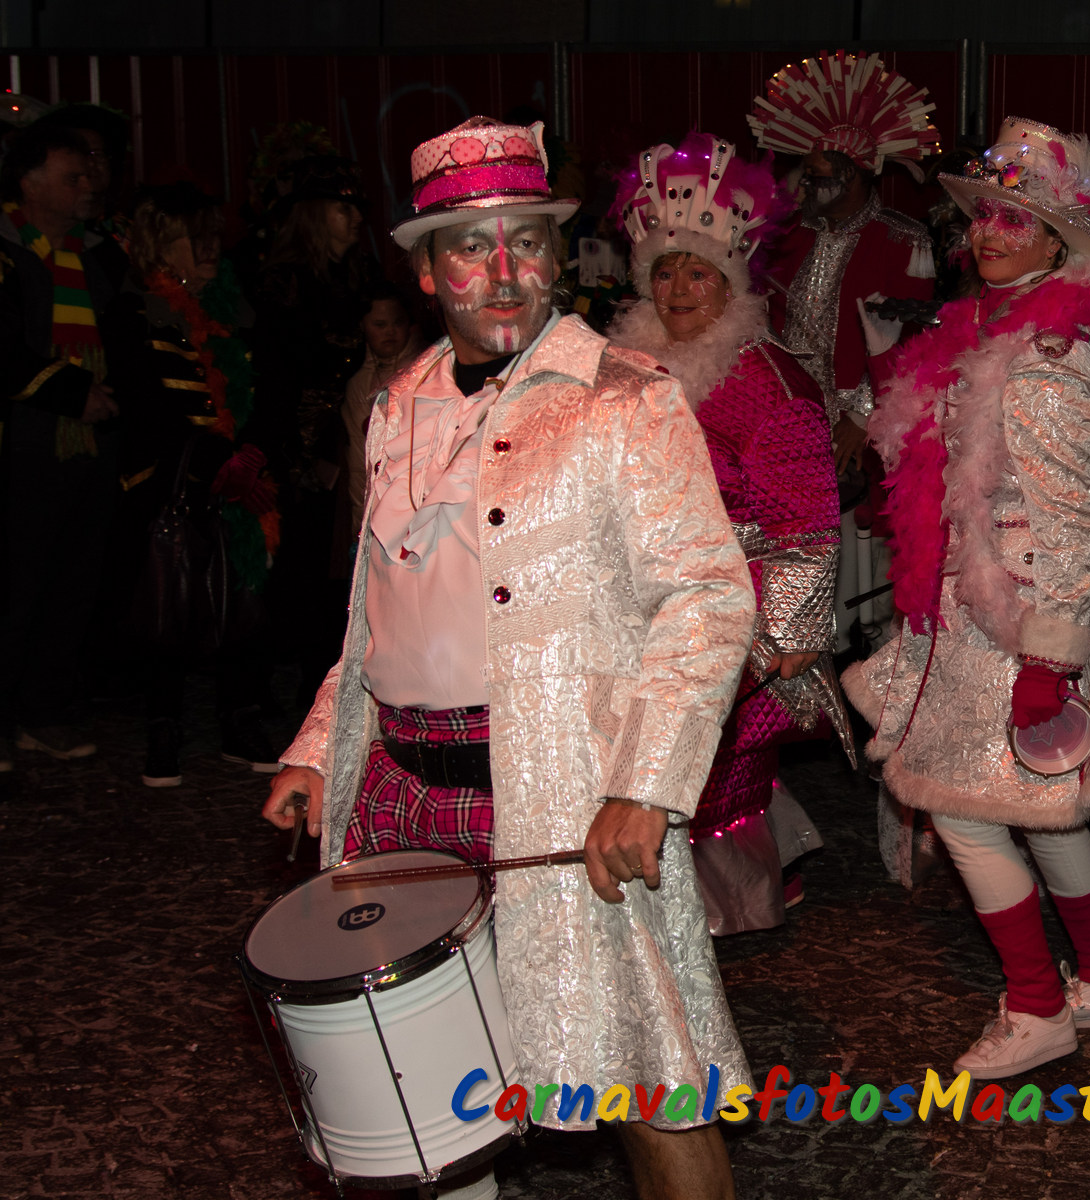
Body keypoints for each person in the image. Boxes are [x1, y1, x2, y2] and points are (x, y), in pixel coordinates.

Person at [260, 116, 755, 1200]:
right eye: (470, 247)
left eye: (525, 242)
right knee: (428, 1091)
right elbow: (376, 609)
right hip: (400, 792)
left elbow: (710, 598)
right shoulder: (396, 403)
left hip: (564, 795)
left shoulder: (625, 398)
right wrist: (319, 745)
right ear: (425, 268)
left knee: (641, 1073)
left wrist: (645, 786)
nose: (502, 272)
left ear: (555, 256)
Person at [845, 117, 1090, 1080]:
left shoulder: (1050, 356)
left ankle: (1037, 1005)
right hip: (981, 607)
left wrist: (1048, 658)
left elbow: (1070, 520)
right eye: (985, 217)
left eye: (1016, 220)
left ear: (1060, 241)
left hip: (1017, 613)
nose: (990, 234)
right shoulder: (989, 327)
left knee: (962, 808)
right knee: (1046, 805)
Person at [607, 132, 848, 934]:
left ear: (732, 279)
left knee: (714, 768)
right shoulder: (624, 369)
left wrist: (786, 632)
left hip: (729, 610)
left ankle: (716, 914)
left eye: (698, 273)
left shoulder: (769, 382)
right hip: (637, 604)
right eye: (664, 271)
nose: (677, 289)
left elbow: (805, 522)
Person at [748, 50, 938, 648]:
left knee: (866, 576)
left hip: (866, 427)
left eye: (818, 174)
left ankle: (864, 654)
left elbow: (914, 345)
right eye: (806, 173)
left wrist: (860, 415)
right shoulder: (786, 239)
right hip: (791, 421)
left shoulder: (903, 240)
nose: (805, 185)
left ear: (854, 174)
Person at [101, 182, 278, 786]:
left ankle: (239, 717)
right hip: (167, 483)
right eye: (194, 238)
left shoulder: (234, 308)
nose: (209, 248)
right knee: (167, 601)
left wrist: (252, 455)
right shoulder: (133, 310)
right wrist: (213, 462)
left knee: (244, 594)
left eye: (212, 237)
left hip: (236, 480)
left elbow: (260, 390)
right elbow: (144, 402)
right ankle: (163, 723)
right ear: (159, 244)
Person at [0, 120, 128, 763]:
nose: (88, 185)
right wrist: (72, 392)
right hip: (22, 445)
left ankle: (44, 712)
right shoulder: (6, 251)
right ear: (29, 182)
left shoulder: (99, 254)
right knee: (15, 585)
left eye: (89, 173)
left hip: (89, 446)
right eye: (71, 176)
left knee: (72, 582)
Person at [254, 155, 377, 719]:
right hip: (294, 452)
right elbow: (276, 380)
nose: (355, 218)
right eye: (342, 208)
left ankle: (325, 698)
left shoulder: (356, 277)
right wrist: (298, 455)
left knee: (336, 580)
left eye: (356, 208)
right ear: (313, 214)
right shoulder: (283, 282)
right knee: (295, 578)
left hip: (346, 442)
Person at [337, 282, 423, 576]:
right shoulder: (357, 385)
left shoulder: (426, 376)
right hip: (369, 511)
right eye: (380, 324)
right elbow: (356, 459)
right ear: (363, 326)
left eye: (397, 323)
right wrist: (358, 520)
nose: (390, 332)